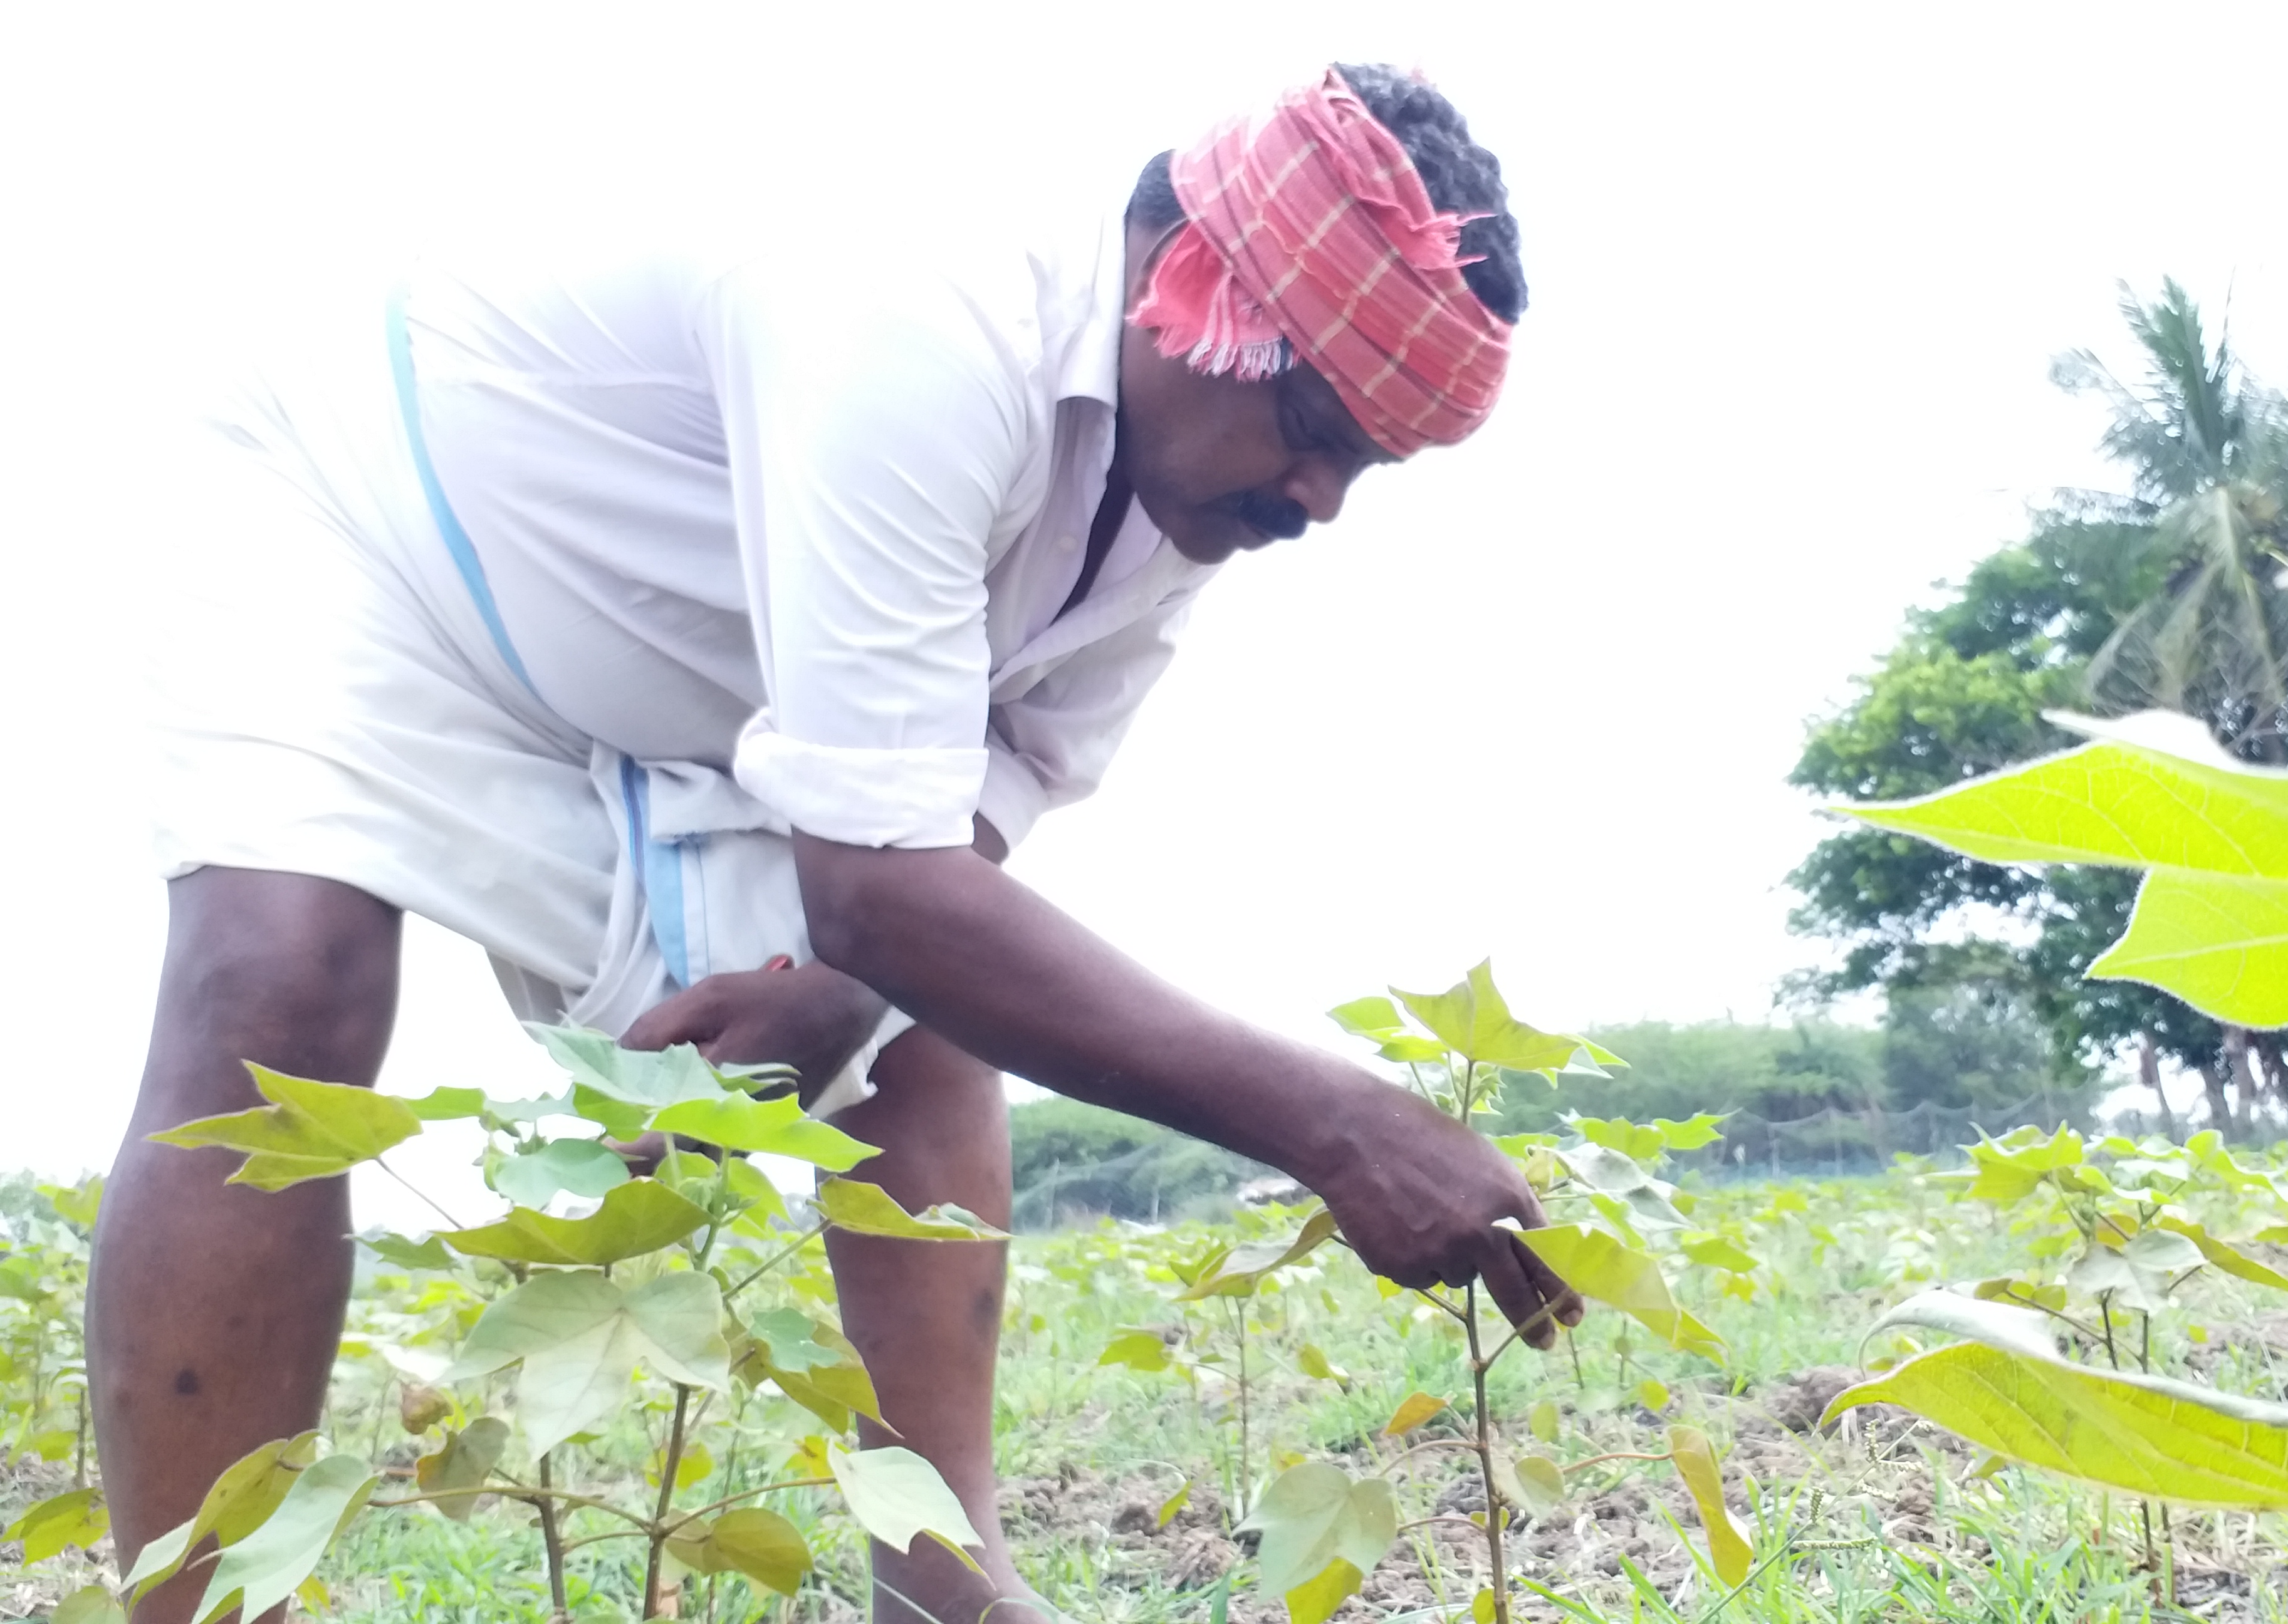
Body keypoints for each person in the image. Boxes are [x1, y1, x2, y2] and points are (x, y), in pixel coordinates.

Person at [97, 63, 1578, 1623]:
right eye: (1309, 426)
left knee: (934, 1016)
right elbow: (888, 887)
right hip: (376, 521)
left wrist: (835, 990)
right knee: (277, 986)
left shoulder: (1178, 490)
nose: (1323, 499)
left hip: (699, 657)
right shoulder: (921, 317)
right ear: (1178, 290)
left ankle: (946, 1587)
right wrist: (1338, 1126)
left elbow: (981, 803)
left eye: (1368, 461)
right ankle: (189, 1606)